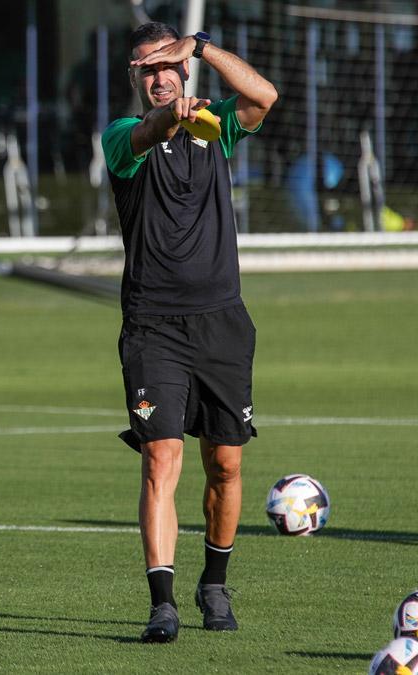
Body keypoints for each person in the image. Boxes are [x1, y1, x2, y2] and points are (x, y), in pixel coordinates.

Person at [100, 22, 277, 643]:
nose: (157, 76)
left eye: (166, 64)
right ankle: (163, 603)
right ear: (135, 80)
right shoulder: (122, 136)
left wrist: (200, 47)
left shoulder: (217, 124)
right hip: (152, 326)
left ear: (182, 67)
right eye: (145, 69)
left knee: (225, 464)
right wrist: (174, 117)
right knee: (160, 458)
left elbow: (265, 97)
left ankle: (215, 584)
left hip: (222, 321)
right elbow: (148, 134)